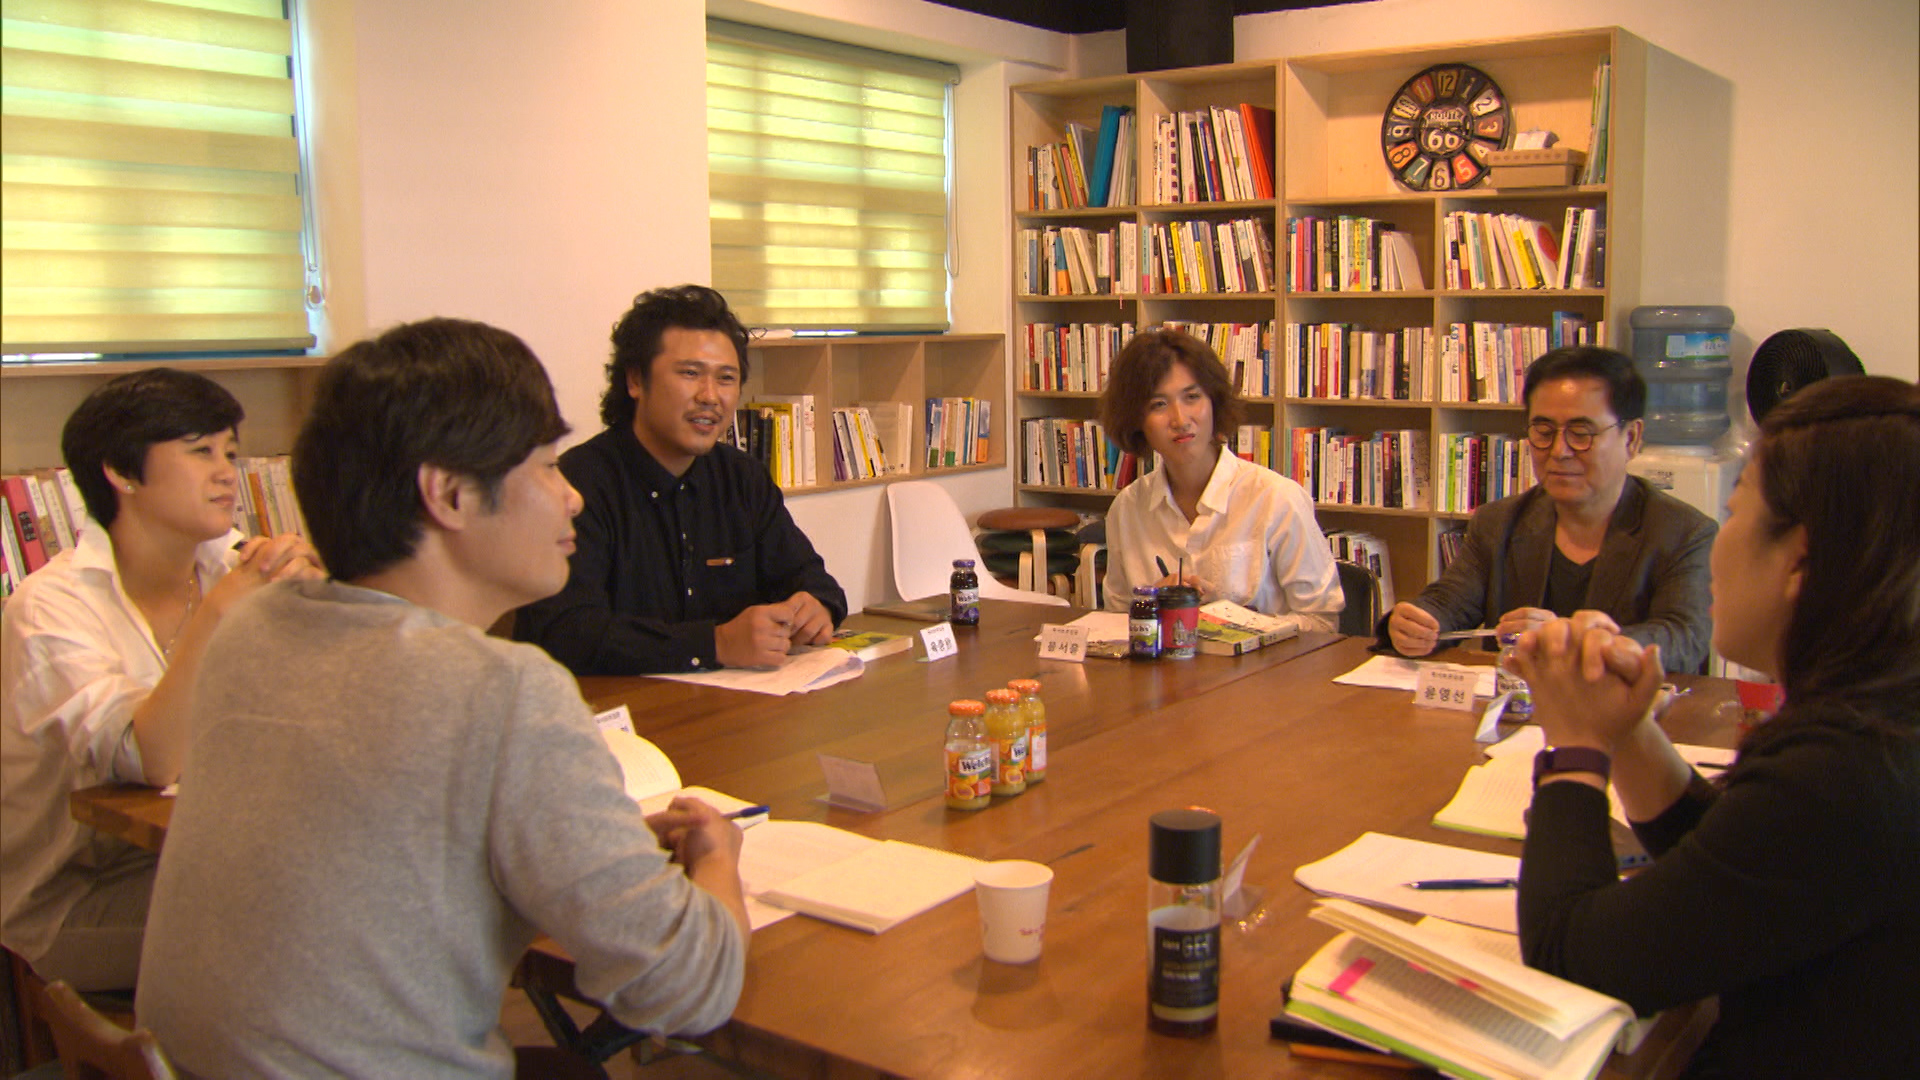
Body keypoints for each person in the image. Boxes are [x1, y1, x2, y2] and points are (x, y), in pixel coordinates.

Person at [137, 319, 749, 1076]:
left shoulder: (252, 629)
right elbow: (689, 989)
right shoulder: (504, 691)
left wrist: (579, 844)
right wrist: (717, 860)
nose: (572, 498)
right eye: (546, 467)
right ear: (451, 495)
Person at [1511, 375, 1920, 1078]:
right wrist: (1627, 731)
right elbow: (1738, 865)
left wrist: (1575, 746)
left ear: (1800, 560)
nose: (1717, 543)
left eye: (1733, 512)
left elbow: (1569, 956)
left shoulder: (1846, 771)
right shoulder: (1879, 725)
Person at [0, 370, 318, 992]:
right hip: (77, 897)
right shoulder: (50, 609)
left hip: (204, 852)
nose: (226, 473)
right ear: (122, 472)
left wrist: (315, 609)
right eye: (200, 452)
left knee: (360, 881)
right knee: (306, 918)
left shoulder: (230, 567)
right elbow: (149, 758)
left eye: (231, 453)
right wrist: (222, 613)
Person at [515, 284, 846, 675]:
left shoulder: (742, 478)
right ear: (635, 381)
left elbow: (813, 580)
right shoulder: (578, 485)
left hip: (737, 704)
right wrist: (714, 644)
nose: (710, 396)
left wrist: (816, 606)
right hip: (620, 707)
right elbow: (564, 631)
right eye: (690, 373)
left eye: (726, 378)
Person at [1382, 346, 1716, 673]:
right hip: (1514, 703)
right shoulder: (1499, 521)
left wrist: (1573, 642)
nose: (1559, 451)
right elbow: (1450, 601)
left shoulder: (1684, 533)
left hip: (1624, 706)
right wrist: (1416, 623)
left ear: (1631, 438)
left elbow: (1683, 640)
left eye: (1581, 434)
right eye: (1543, 432)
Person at [1099, 328, 1343, 632]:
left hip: (1264, 663)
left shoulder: (1276, 499)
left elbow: (1323, 623)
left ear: (1214, 402)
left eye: (1192, 397)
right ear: (1136, 419)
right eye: (1158, 404)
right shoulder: (1127, 509)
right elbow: (1116, 621)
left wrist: (1228, 618)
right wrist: (1151, 609)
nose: (1180, 420)